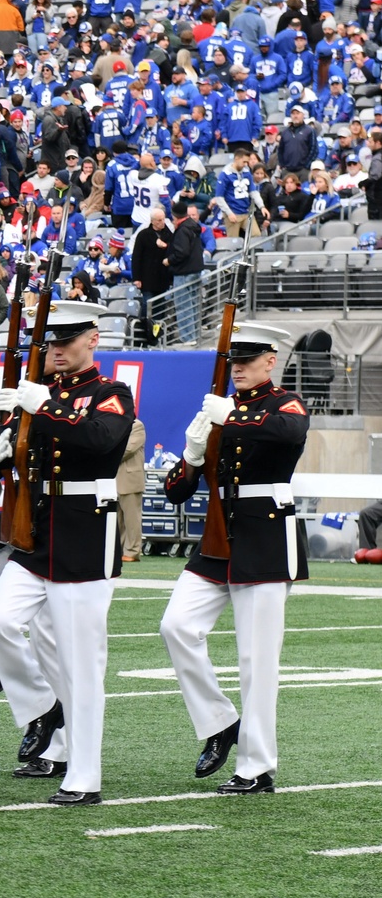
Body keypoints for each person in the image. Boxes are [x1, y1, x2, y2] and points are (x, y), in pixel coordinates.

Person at [0, 301, 136, 803]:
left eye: (66, 341)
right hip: (35, 531)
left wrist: (43, 405)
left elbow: (99, 438)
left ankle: (84, 775)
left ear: (93, 340)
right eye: (51, 343)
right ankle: (44, 709)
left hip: (85, 530)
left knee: (82, 662)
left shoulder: (110, 394)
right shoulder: (33, 399)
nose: (57, 351)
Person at [159, 323, 306, 794]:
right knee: (176, 626)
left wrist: (233, 418)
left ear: (270, 359)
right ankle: (221, 723)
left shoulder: (282, 402)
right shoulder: (217, 411)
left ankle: (256, 767)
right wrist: (192, 451)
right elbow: (177, 491)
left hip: (263, 535)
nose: (238, 368)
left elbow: (289, 431)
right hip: (219, 539)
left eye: (247, 359)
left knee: (256, 659)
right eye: (232, 361)